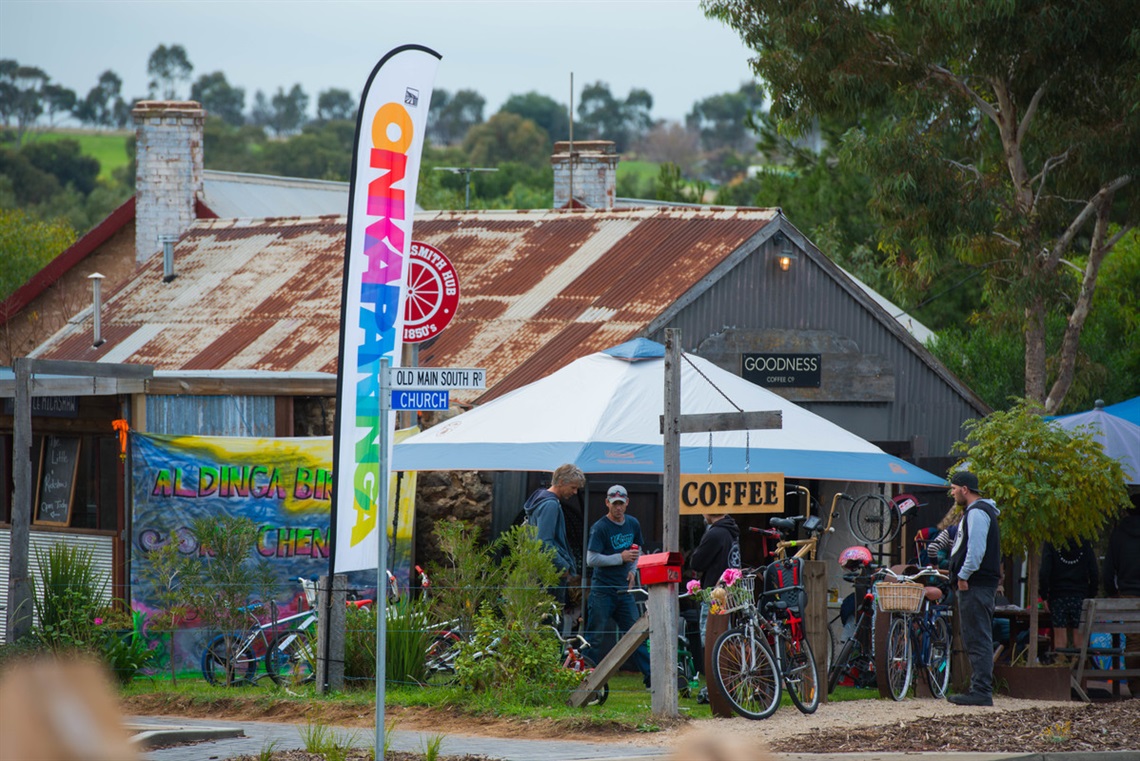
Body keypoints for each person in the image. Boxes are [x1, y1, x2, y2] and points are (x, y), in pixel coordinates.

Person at [585, 484, 651, 687]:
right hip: (602, 591)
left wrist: (632, 570)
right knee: (594, 638)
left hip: (624, 591)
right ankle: (586, 681)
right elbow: (591, 559)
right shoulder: (600, 527)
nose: (618, 508)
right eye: (614, 504)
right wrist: (619, 558)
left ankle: (652, 678)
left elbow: (637, 549)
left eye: (621, 504)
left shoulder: (633, 524)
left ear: (627, 503)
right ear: (607, 503)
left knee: (635, 635)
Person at [947, 470, 1001, 706]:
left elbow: (976, 550)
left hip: (976, 583)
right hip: (978, 583)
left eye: (954, 488)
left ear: (965, 489)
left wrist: (963, 574)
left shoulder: (977, 513)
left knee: (977, 636)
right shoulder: (978, 511)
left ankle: (981, 690)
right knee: (976, 635)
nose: (952, 492)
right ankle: (978, 688)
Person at [523, 464, 584, 606]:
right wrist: (563, 567)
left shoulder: (541, 499)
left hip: (539, 570)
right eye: (573, 487)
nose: (575, 492)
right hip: (550, 574)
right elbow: (543, 543)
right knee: (551, 623)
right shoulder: (550, 505)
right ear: (562, 482)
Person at [688, 512, 741, 646]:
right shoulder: (731, 530)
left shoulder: (716, 533)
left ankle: (711, 667)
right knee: (724, 639)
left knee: (710, 640)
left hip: (714, 594)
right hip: (728, 592)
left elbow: (696, 564)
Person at [1040, 539, 1099, 653]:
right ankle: (1078, 668)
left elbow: (1044, 571)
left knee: (1060, 641)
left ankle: (1062, 667)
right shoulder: (1085, 541)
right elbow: (1094, 572)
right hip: (1080, 596)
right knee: (1080, 642)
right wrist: (1090, 594)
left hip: (1058, 595)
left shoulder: (1051, 540)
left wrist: (1044, 595)